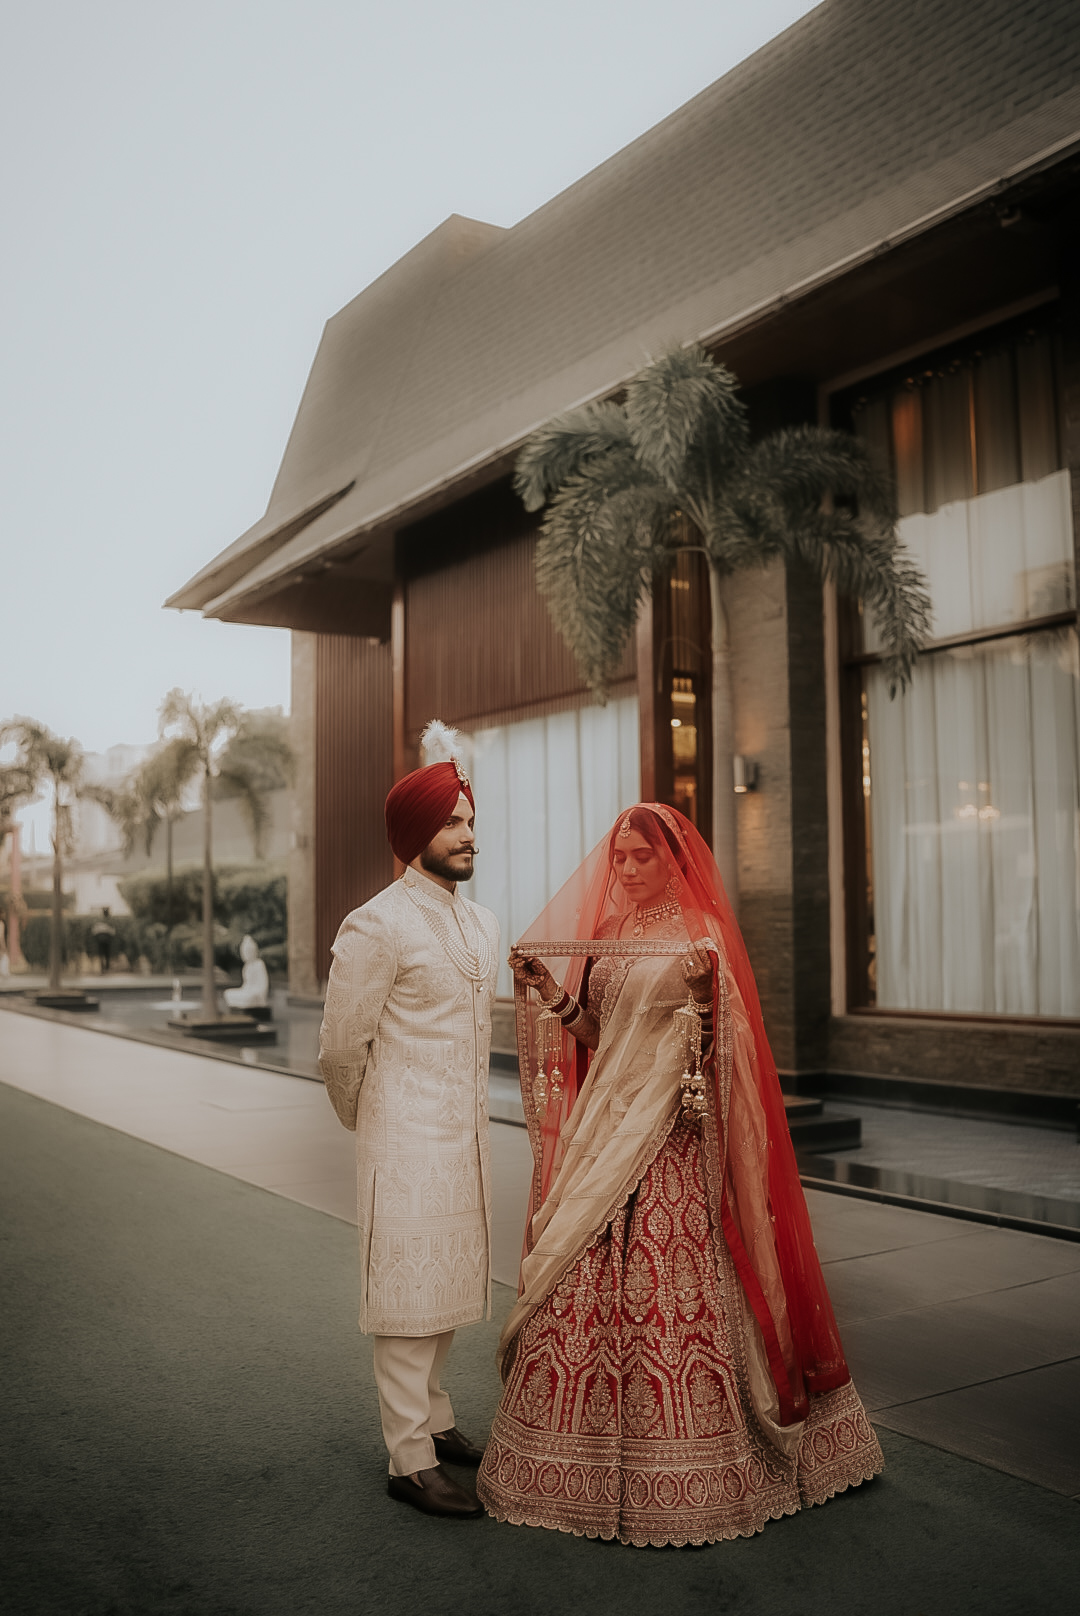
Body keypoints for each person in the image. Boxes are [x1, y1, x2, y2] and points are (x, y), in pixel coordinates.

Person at [476, 803, 882, 1547]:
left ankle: (700, 1461)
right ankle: (572, 1453)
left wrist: (700, 996)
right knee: (579, 1270)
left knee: (665, 1279)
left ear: (674, 863)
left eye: (641, 859)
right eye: (620, 857)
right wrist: (550, 992)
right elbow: (601, 1037)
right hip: (607, 1125)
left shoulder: (702, 935)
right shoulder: (608, 934)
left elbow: (728, 1045)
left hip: (672, 1133)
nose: (625, 870)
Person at [318, 721, 499, 1520]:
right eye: (452, 822)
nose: (468, 835)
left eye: (469, 820)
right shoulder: (376, 924)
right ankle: (408, 1458)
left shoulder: (481, 924)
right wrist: (375, 1124)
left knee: (451, 1286)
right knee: (406, 1298)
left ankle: (438, 1417)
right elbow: (338, 1049)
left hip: (465, 1140)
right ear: (411, 834)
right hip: (404, 1139)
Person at [224, 934, 270, 1010]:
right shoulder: (246, 966)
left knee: (249, 998)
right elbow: (246, 984)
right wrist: (245, 990)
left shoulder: (259, 964)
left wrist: (255, 992)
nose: (245, 954)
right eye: (243, 952)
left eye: (247, 952)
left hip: (256, 993)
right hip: (247, 991)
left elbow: (263, 985)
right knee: (227, 993)